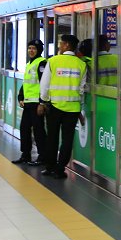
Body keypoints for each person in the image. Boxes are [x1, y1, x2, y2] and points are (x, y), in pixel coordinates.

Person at [38, 34, 87, 179]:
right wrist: (80, 110)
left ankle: (49, 167)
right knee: (67, 140)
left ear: (66, 45)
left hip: (55, 107)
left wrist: (42, 102)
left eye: (60, 44)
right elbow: (81, 90)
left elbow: (45, 84)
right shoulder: (81, 64)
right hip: (72, 109)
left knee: (52, 138)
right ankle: (60, 169)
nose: (59, 46)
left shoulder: (53, 61)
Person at [14, 39, 48, 166]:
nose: (31, 50)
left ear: (39, 50)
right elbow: (26, 84)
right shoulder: (29, 63)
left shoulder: (42, 63)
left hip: (36, 103)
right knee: (24, 128)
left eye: (34, 48)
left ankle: (43, 156)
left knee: (39, 130)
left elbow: (44, 84)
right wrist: (20, 97)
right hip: (28, 103)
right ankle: (25, 154)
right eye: (29, 48)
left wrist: (42, 103)